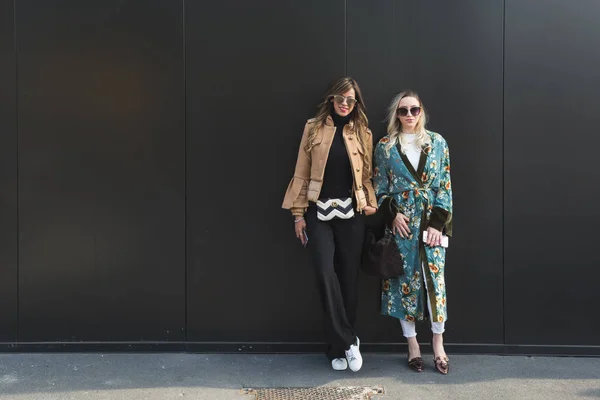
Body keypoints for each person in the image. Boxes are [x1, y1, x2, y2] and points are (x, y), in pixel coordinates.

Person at [282, 77, 377, 372]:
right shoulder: (313, 127)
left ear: (356, 102)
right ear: (331, 99)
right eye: (340, 99)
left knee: (348, 280)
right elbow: (301, 170)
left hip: (352, 212)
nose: (344, 104)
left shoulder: (363, 131)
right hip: (317, 211)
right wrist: (298, 214)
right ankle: (347, 341)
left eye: (350, 100)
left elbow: (367, 176)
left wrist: (370, 201)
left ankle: (335, 348)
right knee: (325, 274)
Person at [373, 90, 453, 375]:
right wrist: (392, 214)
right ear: (396, 114)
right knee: (403, 282)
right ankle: (413, 345)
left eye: (414, 110)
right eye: (403, 111)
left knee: (435, 282)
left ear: (422, 112)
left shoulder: (438, 143)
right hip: (403, 224)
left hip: (431, 221)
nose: (409, 115)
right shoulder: (385, 146)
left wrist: (437, 223)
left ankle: (438, 343)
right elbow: (379, 189)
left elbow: (444, 185)